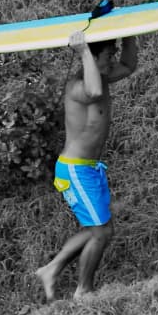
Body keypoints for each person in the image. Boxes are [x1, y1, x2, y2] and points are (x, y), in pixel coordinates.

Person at [35, 31, 138, 300]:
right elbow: (93, 91)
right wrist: (83, 51)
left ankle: (52, 268)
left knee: (100, 228)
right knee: (102, 231)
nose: (113, 59)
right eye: (108, 54)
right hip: (75, 169)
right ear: (92, 56)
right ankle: (84, 291)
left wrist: (129, 37)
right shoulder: (79, 86)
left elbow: (128, 67)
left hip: (89, 168)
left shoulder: (101, 78)